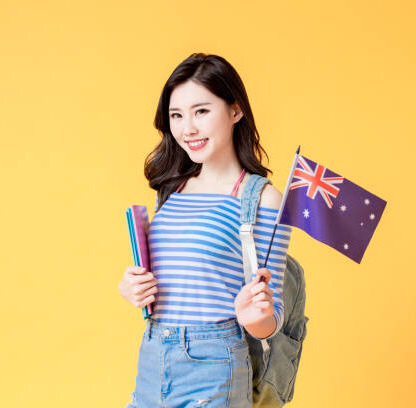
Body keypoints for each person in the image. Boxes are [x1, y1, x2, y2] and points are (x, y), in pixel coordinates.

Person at [119, 52, 292, 408]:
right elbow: (172, 280)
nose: (188, 129)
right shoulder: (170, 189)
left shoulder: (262, 198)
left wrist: (256, 317)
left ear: (235, 110)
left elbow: (272, 320)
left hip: (214, 364)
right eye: (177, 116)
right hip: (153, 357)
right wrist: (133, 287)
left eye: (201, 111)